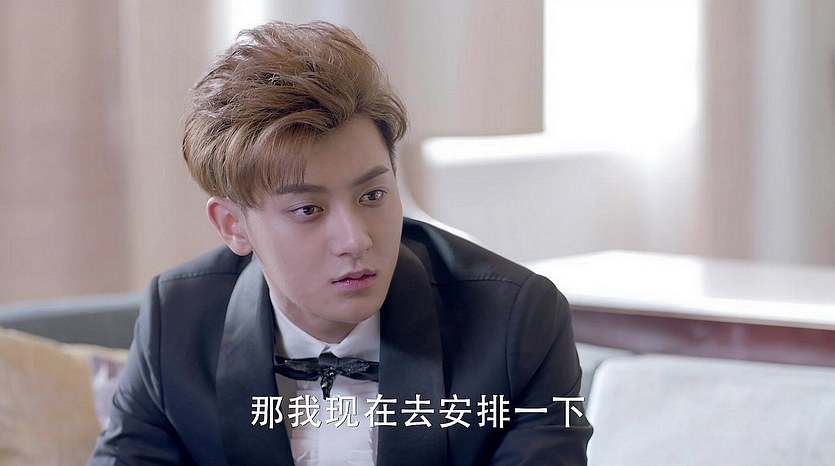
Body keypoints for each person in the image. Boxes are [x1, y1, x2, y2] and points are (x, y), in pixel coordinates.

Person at [89, 21, 592, 466]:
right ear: (233, 226)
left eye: (372, 195)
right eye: (308, 210)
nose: (356, 239)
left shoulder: (515, 321)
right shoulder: (177, 321)